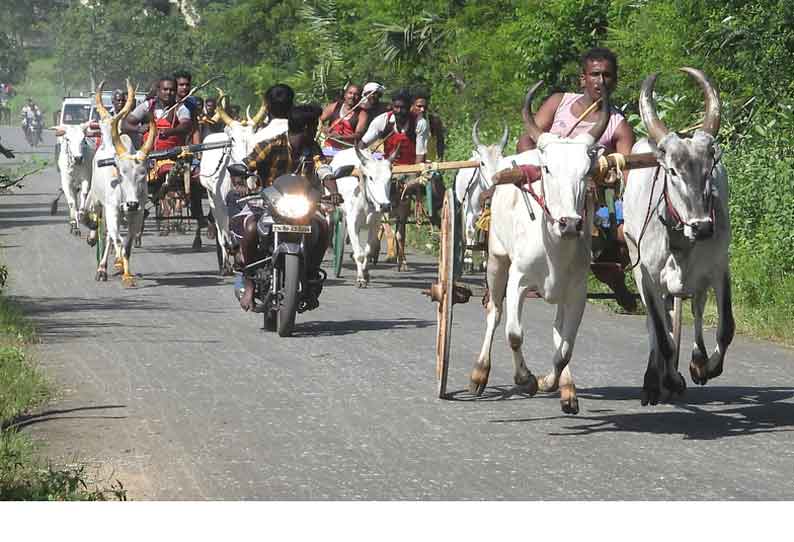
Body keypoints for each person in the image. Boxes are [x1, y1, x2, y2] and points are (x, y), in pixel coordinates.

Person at [515, 46, 637, 310]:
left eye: (607, 75)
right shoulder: (559, 103)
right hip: (544, 189)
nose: (600, 81)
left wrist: (606, 177)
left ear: (614, 80)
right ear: (583, 78)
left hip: (590, 194)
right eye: (594, 74)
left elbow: (627, 173)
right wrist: (539, 175)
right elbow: (526, 140)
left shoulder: (619, 125)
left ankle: (613, 275)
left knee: (625, 232)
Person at [227, 87, 341, 311]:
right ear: (307, 128)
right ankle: (249, 280)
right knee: (250, 228)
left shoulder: (312, 149)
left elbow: (324, 169)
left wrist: (333, 191)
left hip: (302, 206)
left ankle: (311, 277)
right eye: (316, 125)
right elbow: (245, 164)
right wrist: (240, 181)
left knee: (323, 227)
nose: (318, 129)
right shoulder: (271, 144)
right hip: (267, 204)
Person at [360, 88, 429, 269]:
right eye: (396, 107)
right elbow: (363, 143)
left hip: (409, 168)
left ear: (410, 108)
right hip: (386, 168)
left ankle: (403, 241)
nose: (400, 111)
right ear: (392, 107)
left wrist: (415, 175)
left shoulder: (420, 123)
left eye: (404, 108)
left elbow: (420, 154)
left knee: (409, 196)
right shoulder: (382, 121)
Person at [318, 83, 368, 155]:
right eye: (350, 93)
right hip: (329, 147)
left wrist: (341, 137)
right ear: (345, 95)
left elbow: (358, 134)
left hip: (348, 150)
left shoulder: (362, 114)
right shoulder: (335, 106)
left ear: (360, 98)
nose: (352, 96)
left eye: (356, 94)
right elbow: (319, 120)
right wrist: (324, 129)